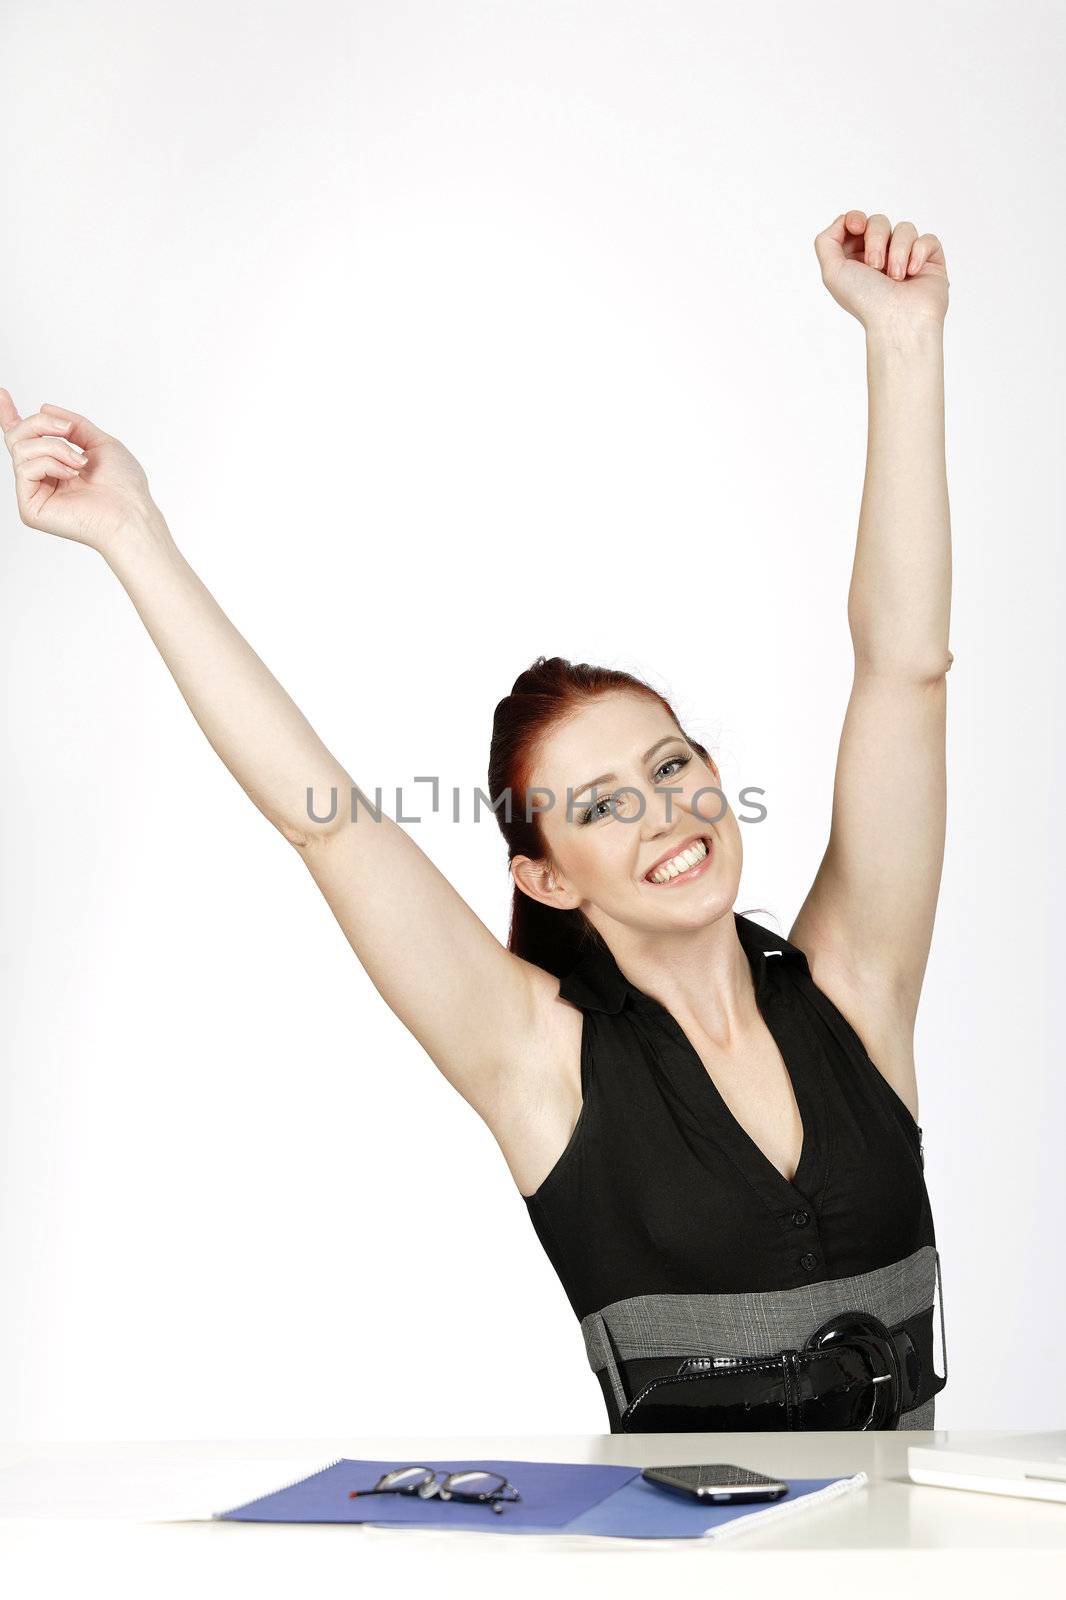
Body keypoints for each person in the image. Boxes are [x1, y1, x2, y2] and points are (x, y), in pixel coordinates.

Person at [2, 207, 953, 1431]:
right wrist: (132, 534)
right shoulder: (536, 1062)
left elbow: (903, 671)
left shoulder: (857, 988)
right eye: (605, 805)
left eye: (672, 765)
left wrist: (904, 342)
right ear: (549, 878)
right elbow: (328, 824)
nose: (667, 811)